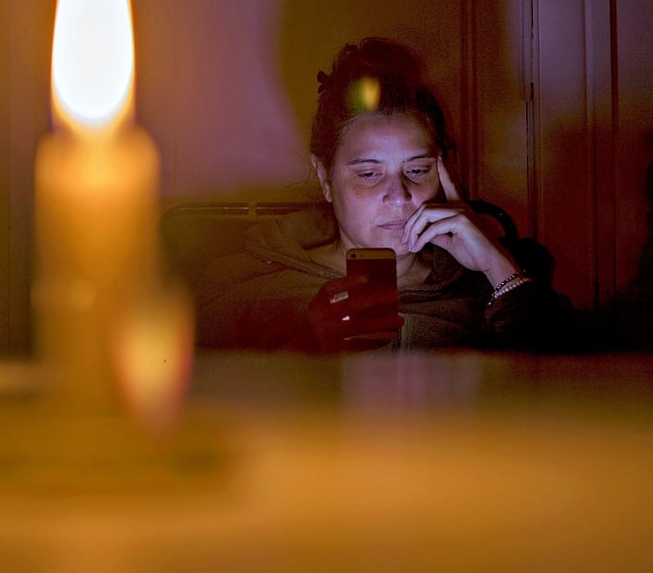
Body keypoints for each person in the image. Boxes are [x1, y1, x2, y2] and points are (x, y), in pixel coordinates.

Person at [196, 37, 563, 352]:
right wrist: (307, 344)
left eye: (417, 170)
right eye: (370, 175)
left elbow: (568, 396)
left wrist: (497, 267)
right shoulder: (248, 286)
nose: (399, 196)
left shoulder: (489, 288)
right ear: (325, 178)